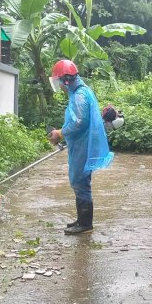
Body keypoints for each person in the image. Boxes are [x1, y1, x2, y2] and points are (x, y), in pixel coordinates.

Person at [48, 59, 114, 235]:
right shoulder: (80, 92)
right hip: (80, 144)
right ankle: (81, 220)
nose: (60, 86)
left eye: (60, 81)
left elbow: (79, 122)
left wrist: (60, 133)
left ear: (67, 80)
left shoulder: (79, 95)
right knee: (79, 182)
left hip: (83, 146)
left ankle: (85, 224)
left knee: (80, 181)